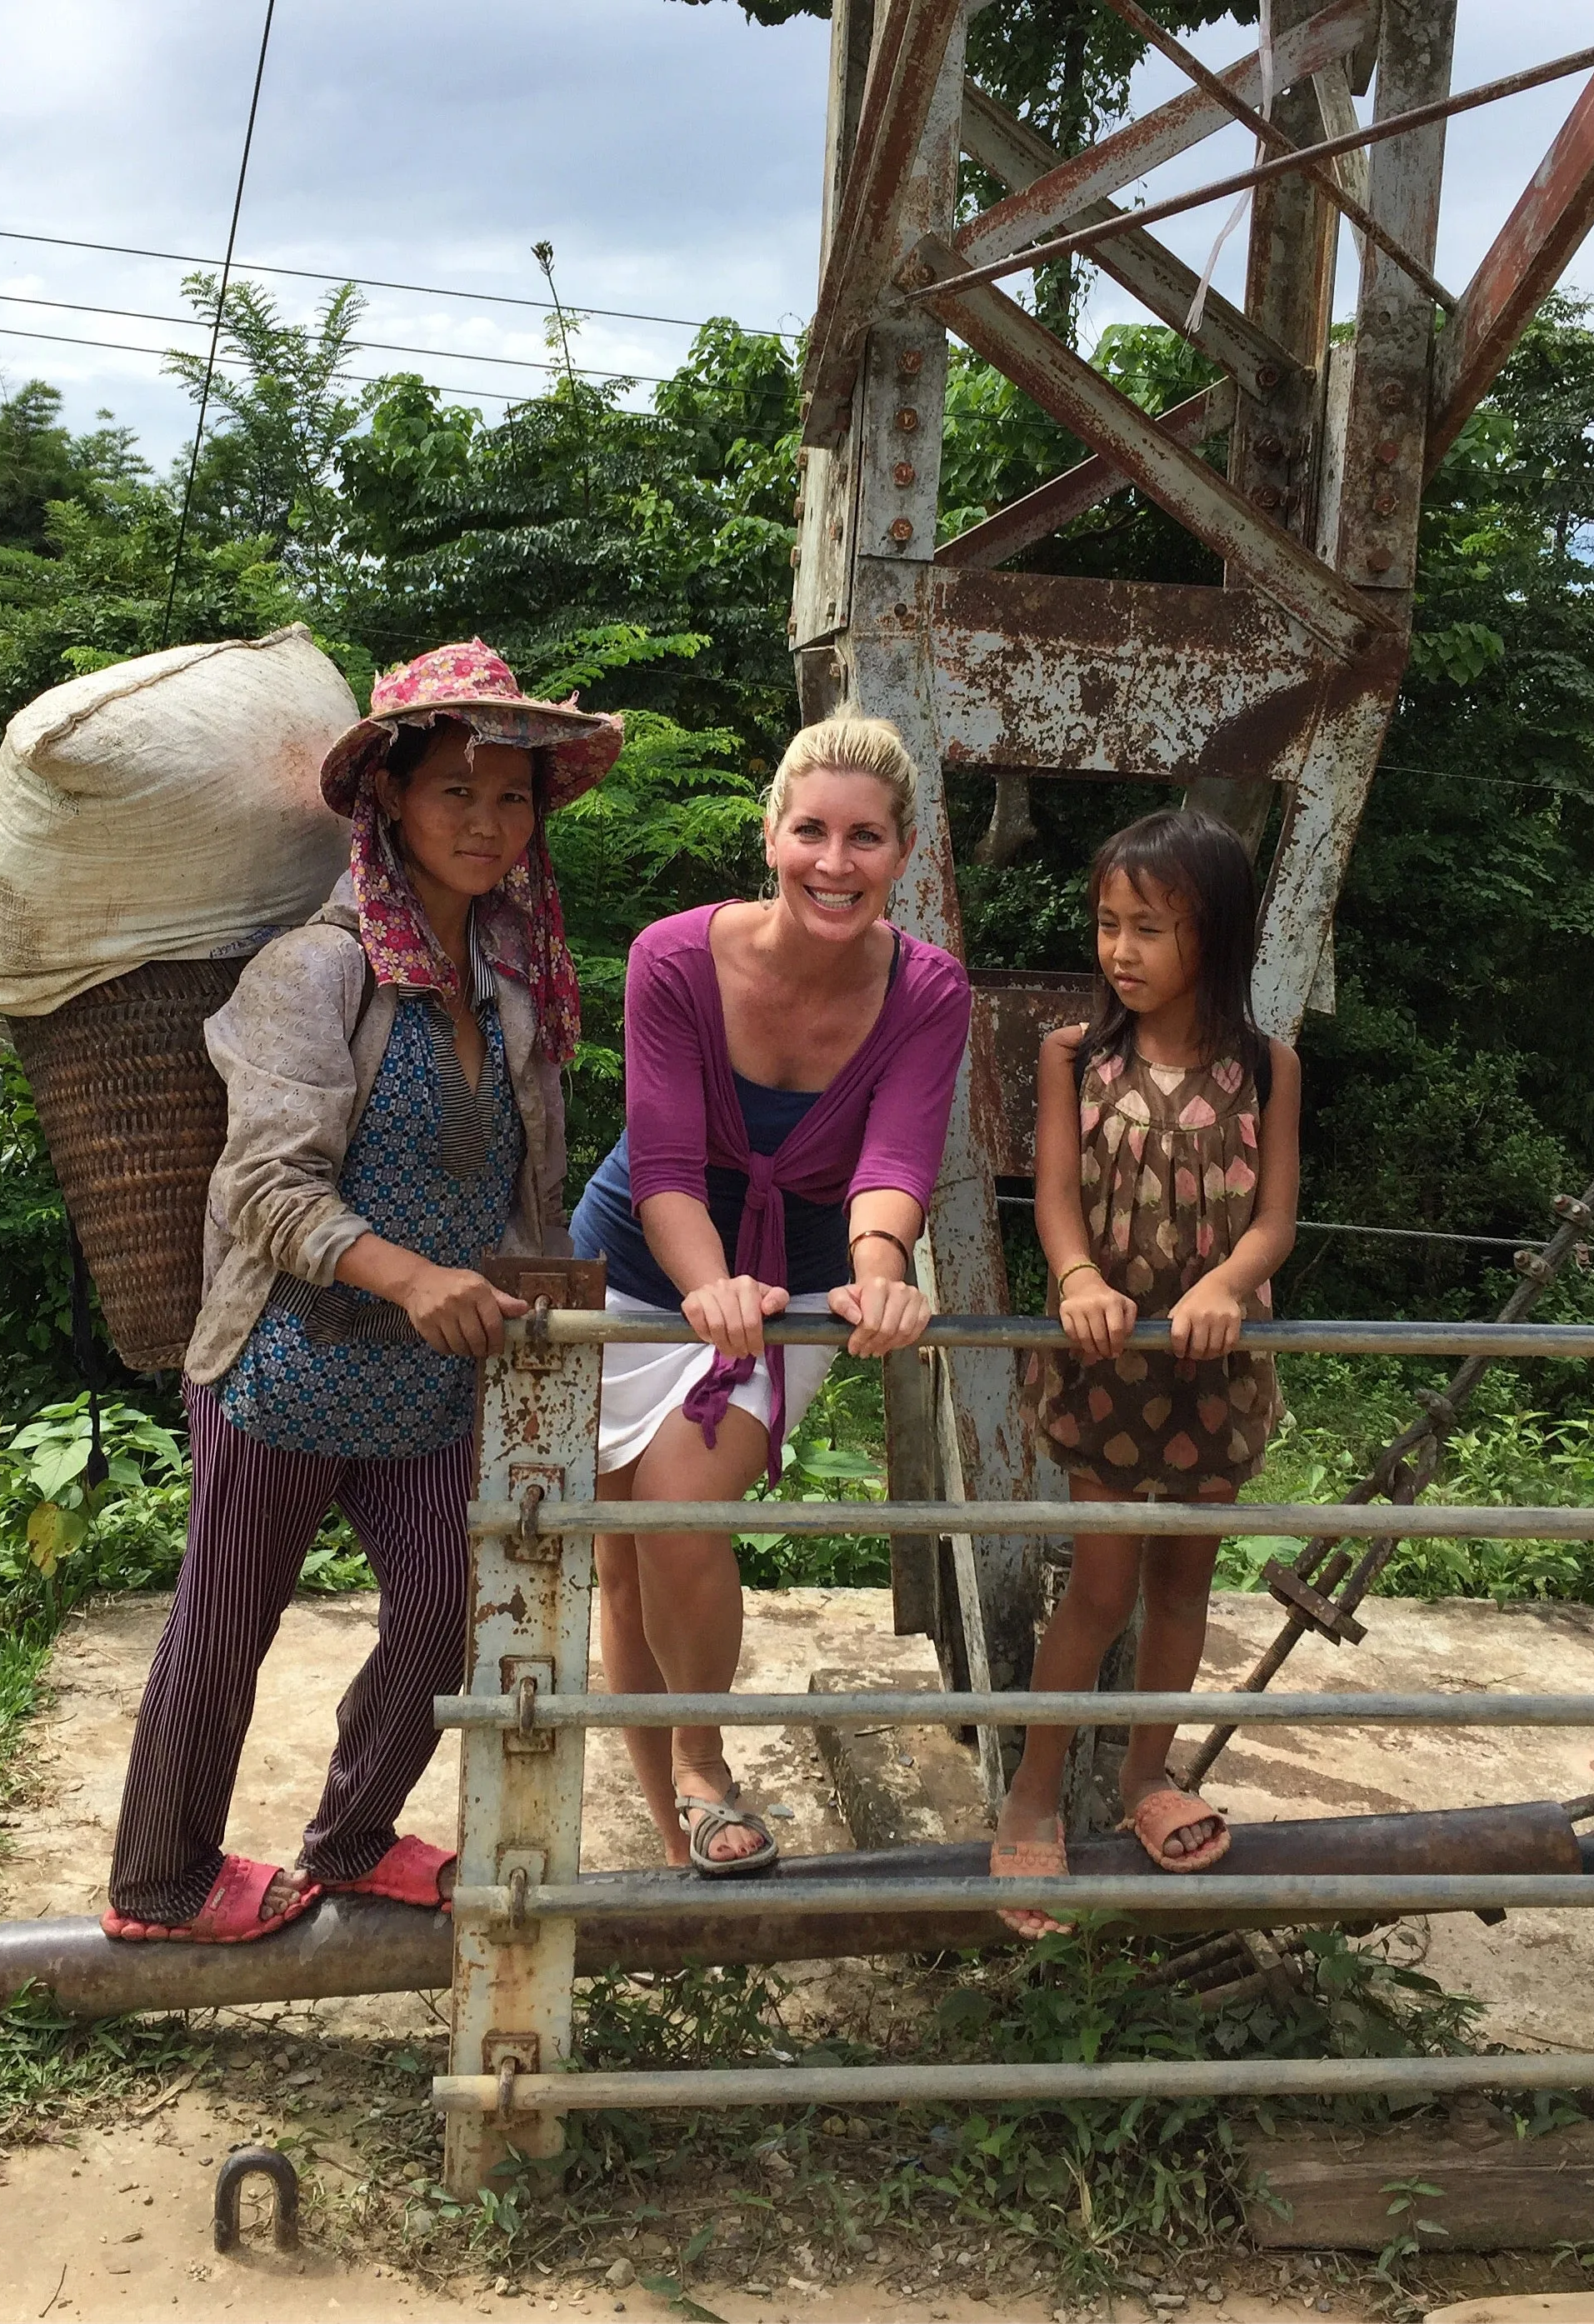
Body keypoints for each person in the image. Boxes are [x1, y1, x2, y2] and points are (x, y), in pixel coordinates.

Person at [101, 640, 621, 1944]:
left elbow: (521, 1181)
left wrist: (509, 1295)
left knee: (449, 1611)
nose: (490, 823)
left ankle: (349, 1838)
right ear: (387, 796)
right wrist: (407, 1275)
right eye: (458, 791)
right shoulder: (314, 972)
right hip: (284, 1364)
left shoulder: (511, 983)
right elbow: (265, 1190)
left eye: (513, 798)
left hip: (431, 1377)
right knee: (223, 1634)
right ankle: (158, 1883)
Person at [571, 713, 971, 1877]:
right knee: (626, 1553)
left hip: (797, 1283)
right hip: (647, 1266)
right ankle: (676, 1816)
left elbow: (895, 1163)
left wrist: (884, 1275)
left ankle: (701, 1761)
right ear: (772, 835)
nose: (833, 864)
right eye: (811, 832)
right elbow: (666, 1172)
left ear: (904, 853)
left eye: (865, 839)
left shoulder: (930, 991)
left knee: (677, 1507)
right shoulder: (674, 959)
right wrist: (709, 1289)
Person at [992, 808, 1299, 1936]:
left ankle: (1144, 1779)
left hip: (1216, 1371)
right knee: (1103, 1587)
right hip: (1110, 1362)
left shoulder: (1269, 1066)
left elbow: (1275, 1221)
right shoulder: (1079, 1055)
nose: (1121, 949)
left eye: (1150, 928)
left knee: (1183, 1590)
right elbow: (1057, 1197)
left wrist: (1229, 1283)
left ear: (1212, 936)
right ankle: (1032, 1793)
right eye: (1109, 924)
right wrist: (1077, 1277)